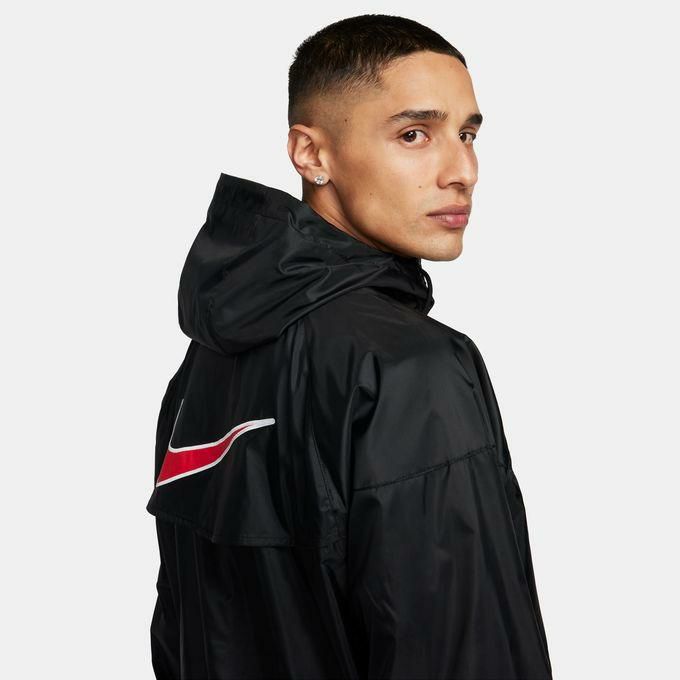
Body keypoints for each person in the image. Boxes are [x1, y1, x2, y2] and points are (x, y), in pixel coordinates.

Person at [146, 13, 553, 680]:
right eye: (414, 134)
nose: (463, 170)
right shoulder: (412, 369)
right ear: (311, 154)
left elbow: (182, 635)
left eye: (468, 134)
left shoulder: (204, 365)